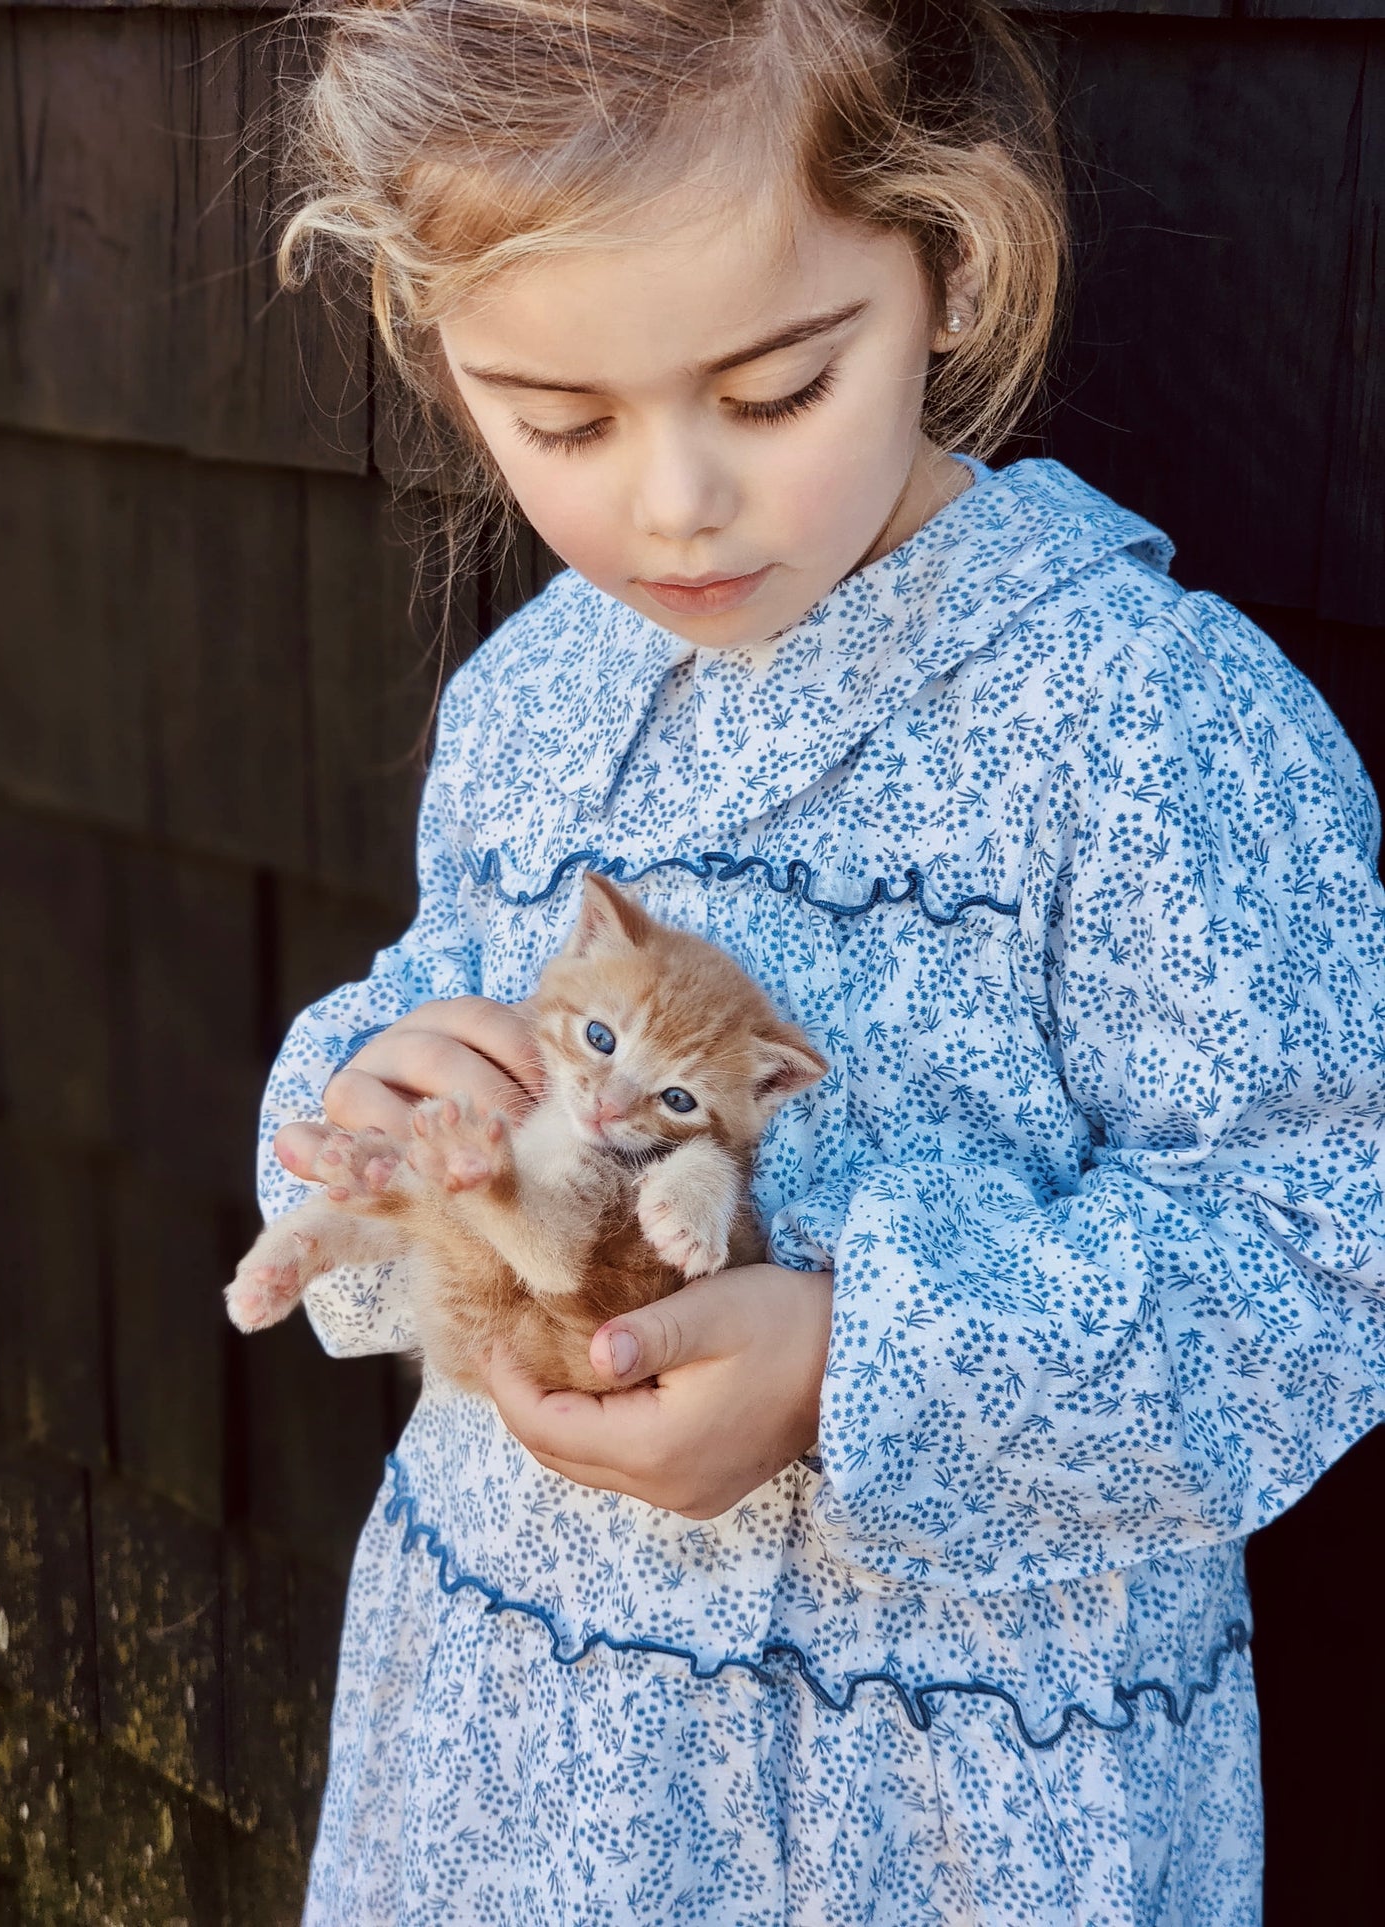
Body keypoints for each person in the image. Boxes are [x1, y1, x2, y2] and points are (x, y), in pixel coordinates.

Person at [255, 2, 1385, 1921]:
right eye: (560, 422)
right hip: (521, 1751)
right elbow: (435, 1007)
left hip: (945, 1801)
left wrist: (856, 1362)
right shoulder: (534, 701)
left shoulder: (1144, 724)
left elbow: (1324, 1242)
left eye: (775, 390)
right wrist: (372, 1095)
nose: (675, 501)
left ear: (944, 262)